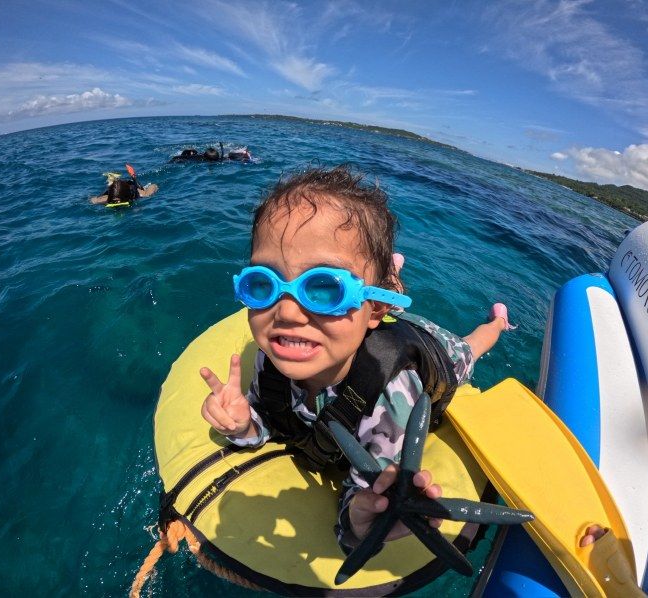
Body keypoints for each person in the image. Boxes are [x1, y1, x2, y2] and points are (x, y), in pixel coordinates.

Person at [198, 165, 516, 553]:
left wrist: (359, 525)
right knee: (370, 280)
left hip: (435, 348)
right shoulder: (275, 355)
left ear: (373, 309)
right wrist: (244, 425)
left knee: (474, 345)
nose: (286, 312)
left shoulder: (390, 400)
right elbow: (267, 422)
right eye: (262, 283)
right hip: (375, 312)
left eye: (324, 287)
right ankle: (376, 277)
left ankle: (498, 322)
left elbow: (368, 494)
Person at [90, 167, 158, 205]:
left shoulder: (139, 194)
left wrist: (145, 192)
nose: (117, 202)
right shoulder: (106, 198)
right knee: (110, 186)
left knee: (137, 185)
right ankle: (112, 179)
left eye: (118, 200)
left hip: (130, 187)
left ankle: (133, 177)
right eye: (114, 201)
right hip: (114, 191)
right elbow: (93, 200)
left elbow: (154, 186)